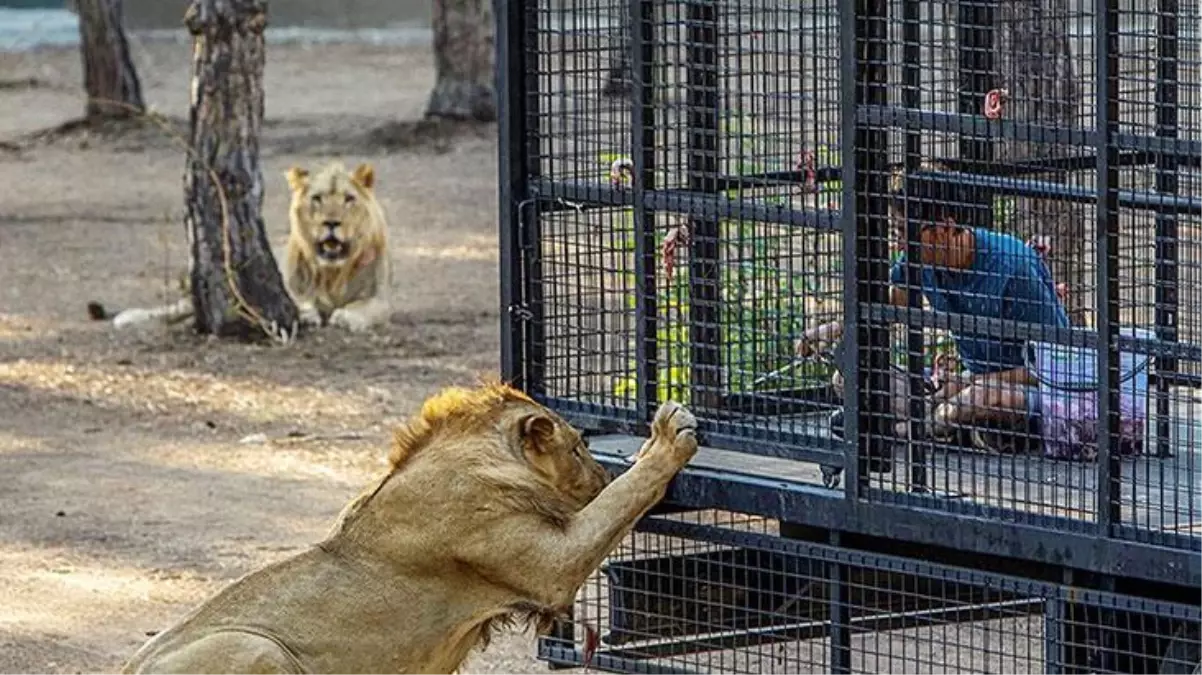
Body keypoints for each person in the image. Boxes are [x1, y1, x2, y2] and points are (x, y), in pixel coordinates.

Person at [796, 182, 1071, 454]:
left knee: (981, 397)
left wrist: (968, 383)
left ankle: (904, 431)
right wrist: (834, 328)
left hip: (1021, 394)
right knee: (848, 378)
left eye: (904, 232)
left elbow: (1055, 369)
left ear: (945, 227)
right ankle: (957, 427)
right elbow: (893, 304)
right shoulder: (918, 259)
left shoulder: (1014, 268)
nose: (898, 243)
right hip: (959, 387)